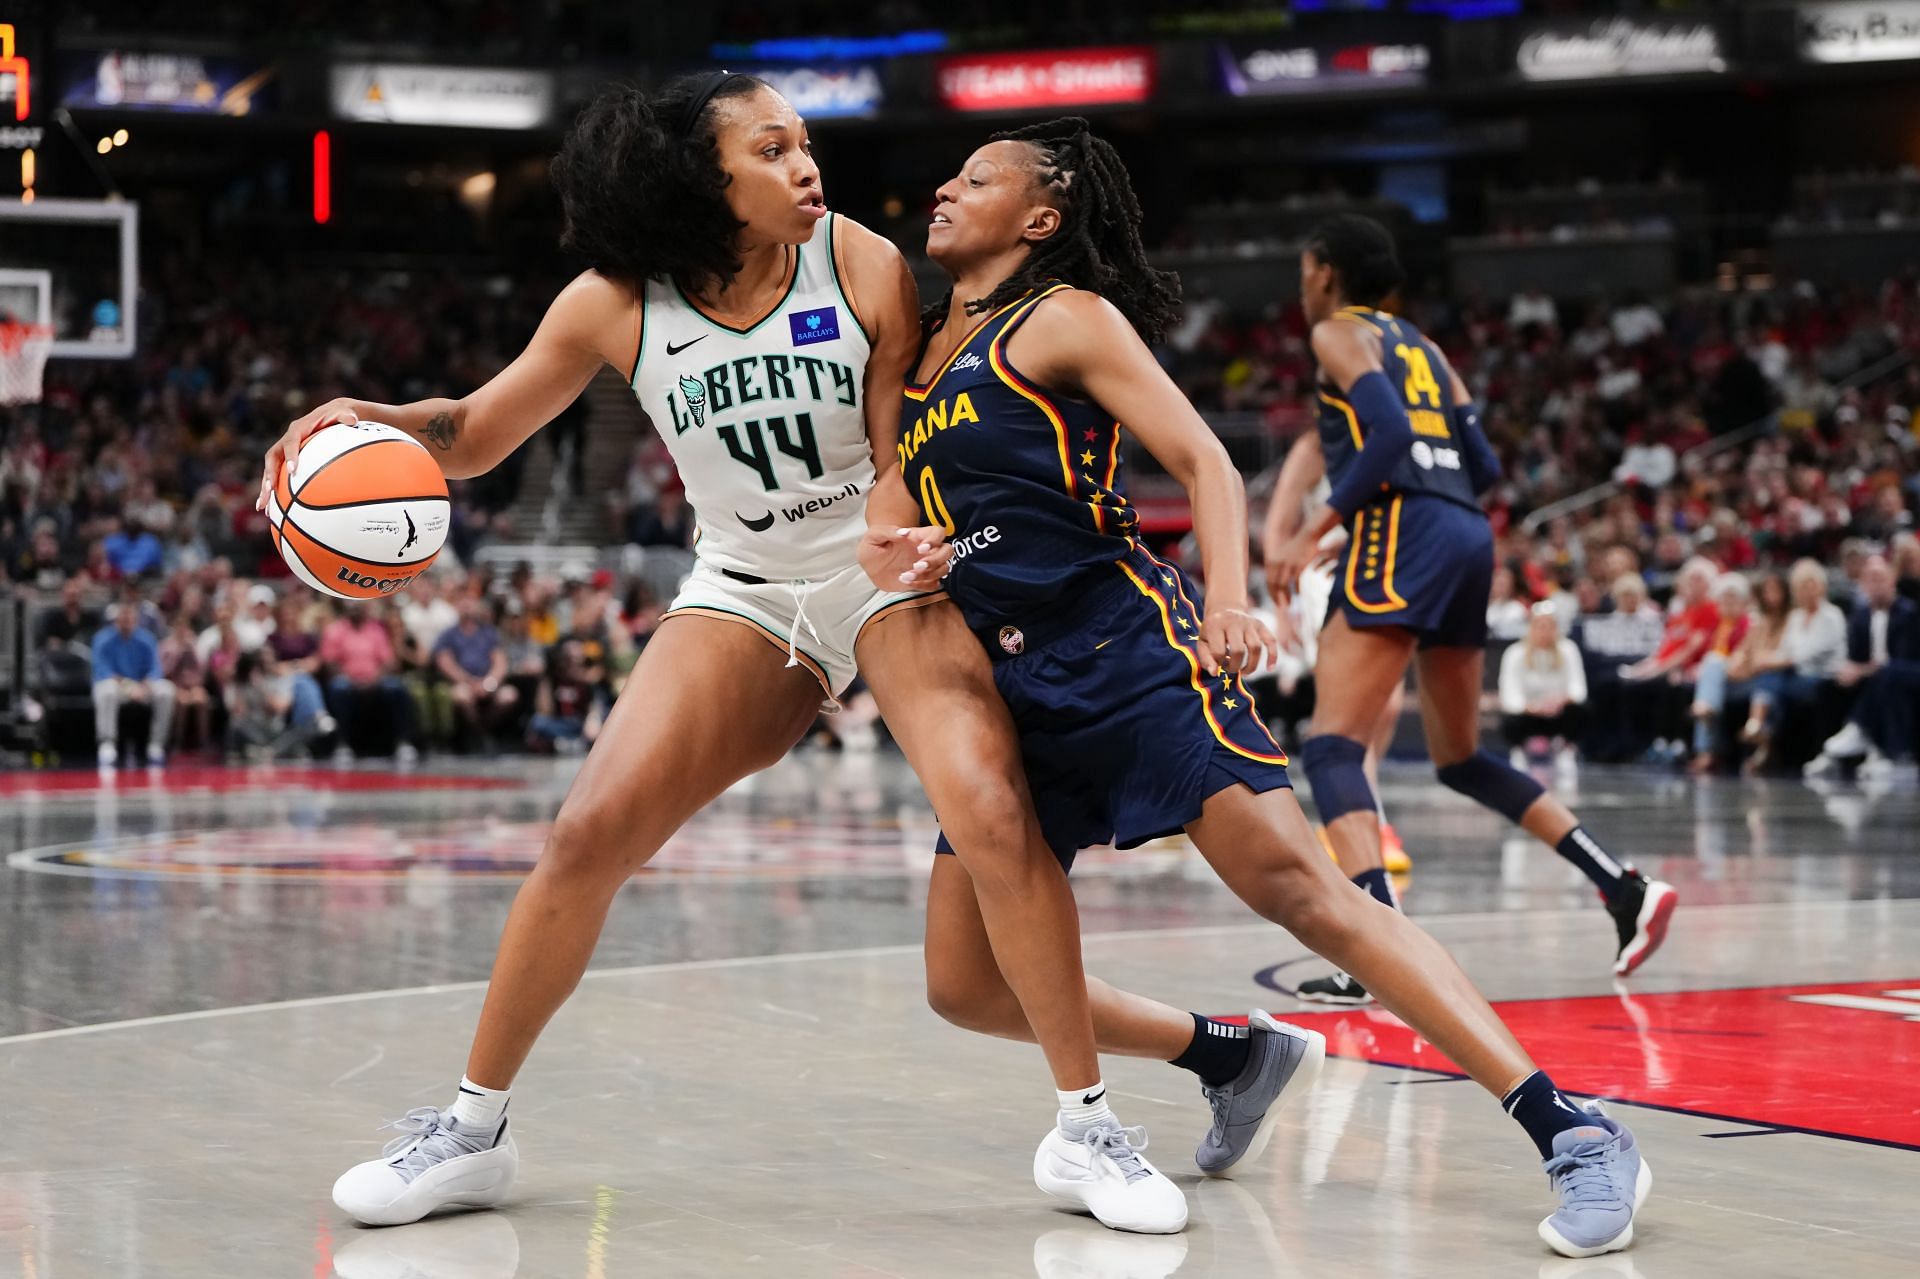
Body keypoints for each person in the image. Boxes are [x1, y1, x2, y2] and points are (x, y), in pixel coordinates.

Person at [267, 77, 1236, 1236]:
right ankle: (472, 1130)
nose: (804, 166)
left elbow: (895, 445)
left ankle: (1087, 1127)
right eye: (771, 149)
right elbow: (475, 434)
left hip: (885, 572)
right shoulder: (612, 303)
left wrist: (888, 532)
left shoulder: (861, 260)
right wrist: (359, 415)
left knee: (988, 811)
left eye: (805, 144)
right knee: (586, 832)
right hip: (743, 587)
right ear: (700, 179)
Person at [873, 126, 1649, 1258]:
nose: (945, 187)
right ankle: (1231, 1053)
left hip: (1128, 650)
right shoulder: (917, 361)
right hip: (1003, 688)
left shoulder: (1065, 319)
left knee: (1312, 894)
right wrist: (894, 555)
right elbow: (891, 515)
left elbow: (1205, 460)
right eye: (950, 176)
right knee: (964, 985)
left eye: (977, 179)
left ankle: (1572, 1127)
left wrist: (1232, 595)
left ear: (1040, 219)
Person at [1261, 214, 1676, 1004]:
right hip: (1464, 531)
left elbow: (1383, 433)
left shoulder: (1341, 333)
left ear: (1322, 273)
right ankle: (1623, 886)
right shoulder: (1430, 349)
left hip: (1405, 524)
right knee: (1461, 757)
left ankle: (1377, 954)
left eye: (1303, 270)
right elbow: (1482, 462)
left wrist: (1321, 528)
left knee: (1332, 749)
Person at [1259, 428, 1409, 874]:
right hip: (1326, 576)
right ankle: (1365, 820)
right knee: (1352, 709)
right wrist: (1282, 603)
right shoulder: (1314, 446)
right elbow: (1278, 525)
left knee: (1388, 706)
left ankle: (1352, 813)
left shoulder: (1387, 437)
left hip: (1383, 571)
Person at [1806, 554, 1917, 777]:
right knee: (1827, 686)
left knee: (1888, 674)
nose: (1875, 585)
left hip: (1908, 672)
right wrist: (1848, 669)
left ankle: (1884, 746)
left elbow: (1903, 658)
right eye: (1870, 579)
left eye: (1880, 578)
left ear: (1891, 580)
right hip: (1876, 675)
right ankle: (1830, 755)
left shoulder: (1909, 612)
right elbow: (1855, 657)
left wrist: (1863, 670)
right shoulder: (1861, 616)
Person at [1742, 558, 1846, 771]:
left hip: (1823, 677)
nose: (1807, 591)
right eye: (1801, 587)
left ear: (1822, 587)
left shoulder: (1832, 616)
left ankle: (1758, 726)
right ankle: (1765, 736)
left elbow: (1805, 654)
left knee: (1771, 680)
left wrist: (1767, 660)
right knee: (1772, 681)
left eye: (1811, 585)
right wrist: (1772, 659)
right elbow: (1786, 649)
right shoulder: (1796, 617)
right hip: (1796, 675)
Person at [1687, 573, 1767, 774]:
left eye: (1733, 598)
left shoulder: (1751, 624)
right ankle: (1706, 739)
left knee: (1712, 666)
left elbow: (1746, 660)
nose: (1728, 603)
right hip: (1721, 680)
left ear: (1743, 601)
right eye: (1724, 598)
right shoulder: (1718, 626)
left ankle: (1705, 749)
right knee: (1709, 672)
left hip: (1745, 679)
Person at [319, 603, 418, 764]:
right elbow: (330, 663)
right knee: (339, 688)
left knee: (396, 687)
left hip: (376, 680)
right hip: (348, 680)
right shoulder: (335, 630)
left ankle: (403, 743)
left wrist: (375, 679)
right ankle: (342, 744)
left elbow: (388, 662)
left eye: (359, 607)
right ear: (346, 608)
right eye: (353, 607)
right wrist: (351, 679)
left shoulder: (376, 630)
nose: (356, 610)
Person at [1499, 601, 1588, 772]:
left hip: (1559, 712)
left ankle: (1566, 751)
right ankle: (1519, 753)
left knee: (1581, 711)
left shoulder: (1568, 649)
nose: (1544, 631)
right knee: (1510, 720)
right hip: (1529, 714)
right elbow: (1509, 695)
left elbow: (1578, 689)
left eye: (1549, 626)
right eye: (1540, 626)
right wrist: (1533, 707)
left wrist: (1560, 701)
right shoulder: (1515, 653)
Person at [91, 600, 175, 767]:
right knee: (107, 690)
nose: (126, 622)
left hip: (141, 687)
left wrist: (144, 686)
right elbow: (102, 671)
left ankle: (156, 744)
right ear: (116, 620)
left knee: (166, 690)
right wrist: (129, 686)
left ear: (136, 620)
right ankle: (107, 743)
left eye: (130, 618)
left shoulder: (147, 639)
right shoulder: (102, 639)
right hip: (116, 686)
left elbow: (155, 669)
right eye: (123, 618)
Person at [432, 597, 517, 750]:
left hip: (488, 684)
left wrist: (489, 683)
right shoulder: (448, 634)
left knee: (509, 695)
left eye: (470, 605)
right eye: (464, 606)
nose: (467, 609)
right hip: (463, 683)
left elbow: (500, 663)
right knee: (461, 696)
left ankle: (486, 730)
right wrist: (469, 682)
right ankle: (476, 733)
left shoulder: (488, 633)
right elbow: (445, 663)